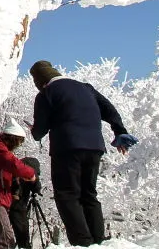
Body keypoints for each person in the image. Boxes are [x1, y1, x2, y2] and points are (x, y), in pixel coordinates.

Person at [29, 60, 139, 246]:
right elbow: (109, 109)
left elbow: (39, 131)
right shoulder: (86, 88)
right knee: (89, 194)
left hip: (67, 148)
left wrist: (35, 130)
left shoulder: (47, 93)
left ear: (40, 81)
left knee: (67, 194)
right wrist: (120, 131)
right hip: (95, 147)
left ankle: (83, 243)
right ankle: (98, 241)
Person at [0, 119, 38, 249]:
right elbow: (13, 164)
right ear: (13, 139)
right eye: (19, 142)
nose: (18, 146)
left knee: (3, 238)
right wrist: (31, 174)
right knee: (4, 238)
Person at [8, 157, 41, 249]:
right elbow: (36, 186)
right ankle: (24, 246)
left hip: (7, 202)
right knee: (21, 228)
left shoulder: (18, 169)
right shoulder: (30, 172)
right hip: (18, 205)